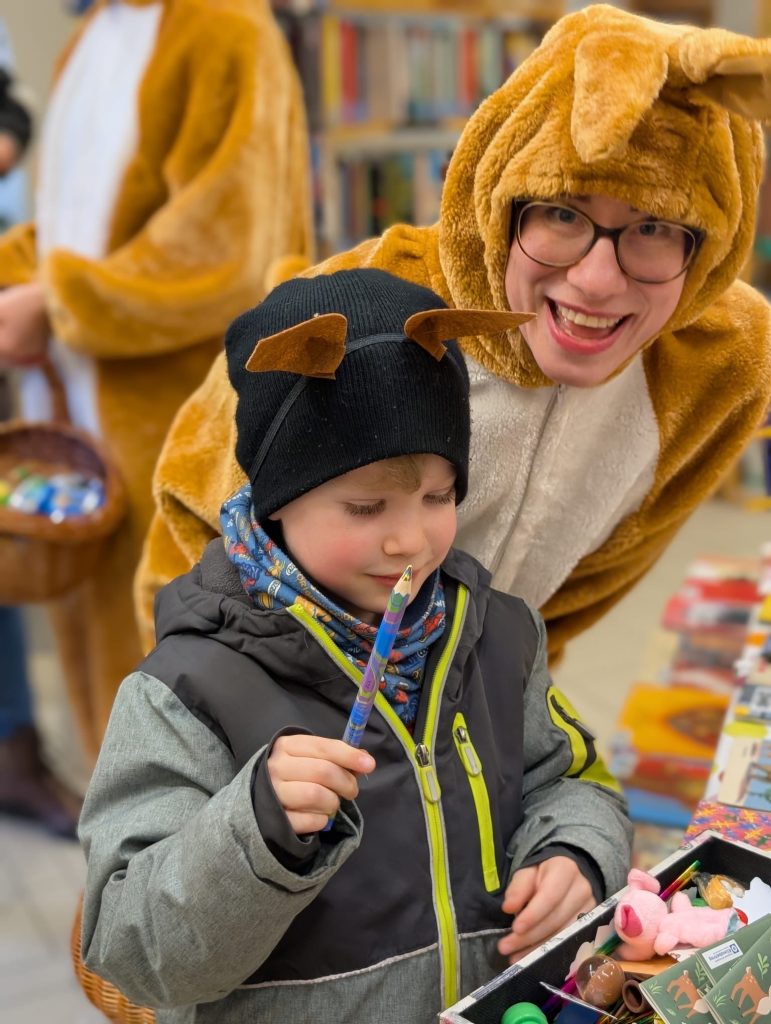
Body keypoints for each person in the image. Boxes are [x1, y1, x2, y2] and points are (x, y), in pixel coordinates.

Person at [138, 4, 771, 669]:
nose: (595, 280)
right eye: (560, 214)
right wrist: (240, 713)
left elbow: (576, 596)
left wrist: (500, 696)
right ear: (498, 197)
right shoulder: (359, 312)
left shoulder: (718, 362)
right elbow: (191, 549)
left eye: (655, 229)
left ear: (711, 249)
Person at [79, 269, 632, 1024]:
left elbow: (572, 780)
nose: (410, 540)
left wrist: (575, 853)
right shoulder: (187, 687)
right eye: (366, 506)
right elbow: (133, 954)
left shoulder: (499, 635)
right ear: (278, 503)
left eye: (438, 496)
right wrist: (254, 830)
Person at [0, 0, 313, 762]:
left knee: (181, 688)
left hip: (176, 427)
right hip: (81, 421)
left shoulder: (224, 29)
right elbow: (73, 225)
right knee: (101, 679)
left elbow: (223, 249)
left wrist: (57, 303)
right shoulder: (89, 37)